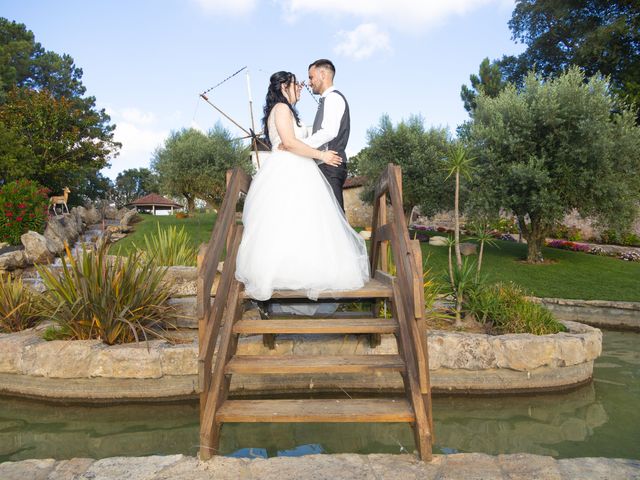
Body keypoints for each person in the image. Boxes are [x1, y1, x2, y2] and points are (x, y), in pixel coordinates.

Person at [235, 71, 369, 301]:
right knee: (290, 218)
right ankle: (287, 272)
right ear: (284, 86)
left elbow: (295, 142)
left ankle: (299, 270)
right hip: (288, 169)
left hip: (298, 167)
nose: (301, 87)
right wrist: (321, 155)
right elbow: (288, 142)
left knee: (301, 220)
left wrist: (301, 145)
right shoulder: (281, 108)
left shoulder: (287, 111)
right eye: (296, 84)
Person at [303, 59, 350, 210]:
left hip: (330, 165)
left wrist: (300, 146)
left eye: (311, 77)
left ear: (322, 74)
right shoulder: (327, 100)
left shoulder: (333, 98)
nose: (309, 83)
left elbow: (329, 131)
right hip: (325, 166)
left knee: (335, 218)